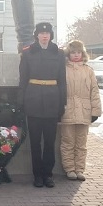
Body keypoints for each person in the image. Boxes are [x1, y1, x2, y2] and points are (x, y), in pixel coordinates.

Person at [19, 22, 66, 187]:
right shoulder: (28, 53)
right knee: (35, 142)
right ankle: (37, 175)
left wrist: (62, 104)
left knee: (50, 141)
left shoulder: (59, 53)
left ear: (51, 35)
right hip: (33, 100)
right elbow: (23, 80)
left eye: (47, 33)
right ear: (36, 35)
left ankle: (48, 174)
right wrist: (22, 102)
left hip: (53, 101)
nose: (44, 36)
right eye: (41, 33)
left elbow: (62, 81)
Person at [59, 40, 101, 181]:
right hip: (67, 111)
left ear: (82, 53)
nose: (76, 55)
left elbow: (94, 92)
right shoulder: (63, 69)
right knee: (68, 142)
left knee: (81, 144)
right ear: (68, 54)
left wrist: (96, 111)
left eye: (78, 52)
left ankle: (80, 169)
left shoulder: (88, 70)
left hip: (84, 111)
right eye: (73, 52)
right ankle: (70, 169)